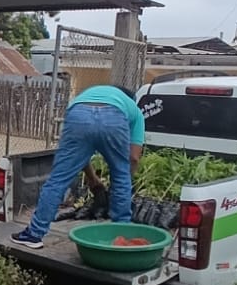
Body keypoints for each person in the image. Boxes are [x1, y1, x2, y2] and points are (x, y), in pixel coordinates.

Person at [11, 83, 146, 249]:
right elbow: (133, 158)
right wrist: (123, 182)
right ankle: (122, 237)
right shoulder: (134, 109)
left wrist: (92, 179)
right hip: (114, 118)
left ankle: (33, 235)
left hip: (78, 113)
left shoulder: (91, 92)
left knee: (58, 180)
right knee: (121, 176)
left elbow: (80, 155)